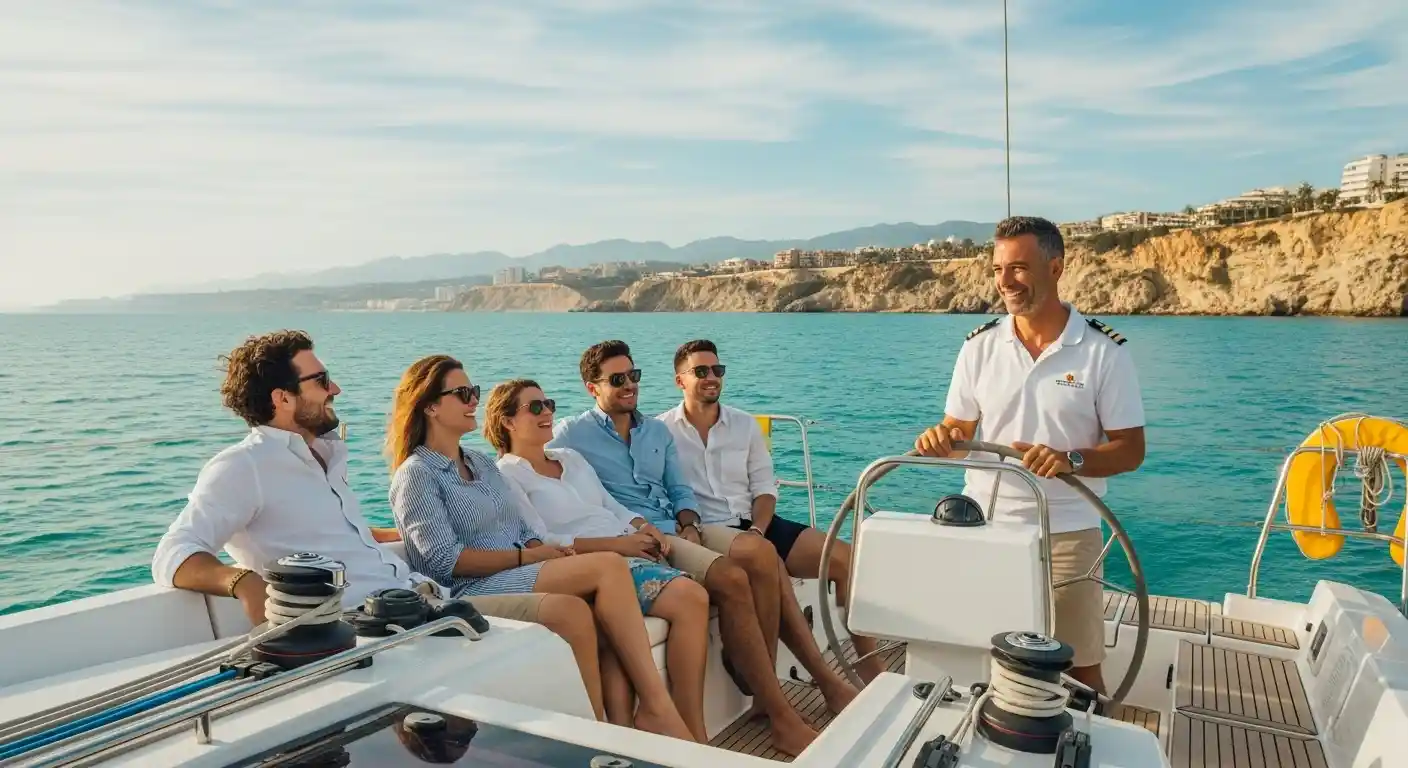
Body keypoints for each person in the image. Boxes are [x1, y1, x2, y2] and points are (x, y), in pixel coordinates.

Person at [150, 331, 602, 709]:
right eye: (322, 380)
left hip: (422, 603)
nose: (336, 390)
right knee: (565, 611)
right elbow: (174, 554)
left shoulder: (323, 459)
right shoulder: (243, 466)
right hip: (369, 624)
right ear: (282, 398)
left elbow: (345, 535)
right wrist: (244, 583)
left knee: (578, 609)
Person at [386, 354, 694, 742]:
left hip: (520, 571)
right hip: (470, 589)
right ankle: (638, 715)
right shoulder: (416, 475)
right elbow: (444, 562)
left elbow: (519, 527)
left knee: (599, 605)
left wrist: (542, 550)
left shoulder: (480, 463)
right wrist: (527, 556)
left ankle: (618, 728)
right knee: (605, 569)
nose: (472, 401)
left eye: (474, 392)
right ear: (430, 406)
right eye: (462, 393)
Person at [550, 340, 828, 757]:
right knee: (733, 577)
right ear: (593, 388)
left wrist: (690, 523)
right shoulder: (573, 434)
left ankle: (760, 686)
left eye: (635, 376)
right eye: (618, 380)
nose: (630, 386)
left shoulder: (656, 431)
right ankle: (777, 712)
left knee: (759, 552)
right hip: (635, 536)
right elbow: (530, 461)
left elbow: (679, 489)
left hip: (679, 528)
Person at [913, 216, 1146, 694]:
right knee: (981, 654)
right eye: (998, 269)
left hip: (1064, 529)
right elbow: (960, 432)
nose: (1005, 281)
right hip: (981, 525)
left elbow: (1131, 450)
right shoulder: (978, 348)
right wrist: (941, 439)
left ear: (1055, 266)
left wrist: (1071, 460)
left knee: (1078, 667)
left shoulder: (1104, 353)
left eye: (1018, 268)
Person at [484, 378, 711, 741]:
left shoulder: (570, 458)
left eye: (550, 404)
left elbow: (609, 504)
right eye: (536, 407)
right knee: (691, 598)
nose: (548, 413)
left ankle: (656, 729)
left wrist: (641, 524)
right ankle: (681, 727)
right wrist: (618, 546)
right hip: (594, 560)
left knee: (697, 593)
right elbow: (541, 538)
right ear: (508, 421)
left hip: (629, 546)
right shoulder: (507, 475)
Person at [658, 339, 888, 684]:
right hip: (709, 535)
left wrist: (758, 529)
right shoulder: (661, 432)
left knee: (844, 558)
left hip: (755, 524)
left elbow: (765, 489)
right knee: (770, 566)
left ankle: (869, 666)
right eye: (700, 371)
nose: (711, 377)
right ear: (680, 381)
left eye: (717, 370)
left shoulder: (744, 425)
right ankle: (772, 675)